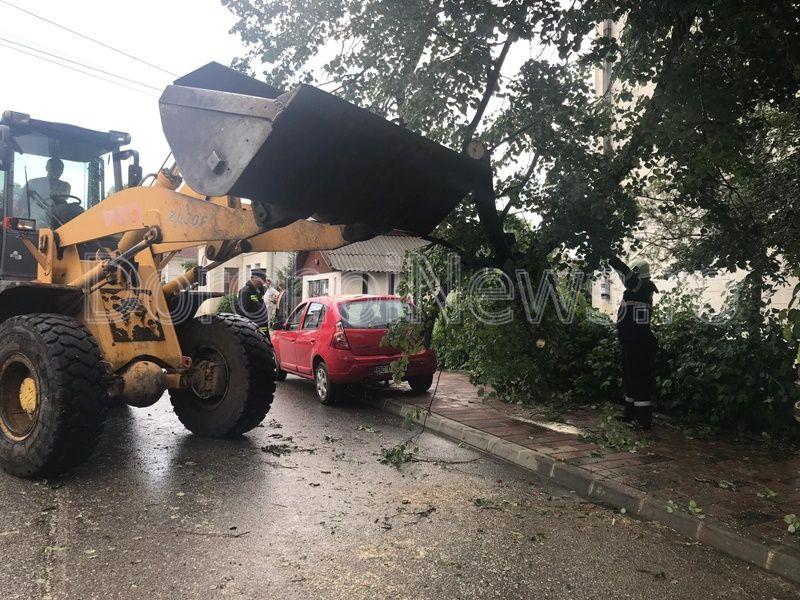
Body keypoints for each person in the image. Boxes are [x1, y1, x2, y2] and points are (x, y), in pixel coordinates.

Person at [609, 255, 659, 430]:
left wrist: (612, 258)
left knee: (639, 381)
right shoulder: (638, 289)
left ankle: (643, 421)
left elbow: (627, 276)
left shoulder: (642, 287)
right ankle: (630, 415)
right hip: (631, 342)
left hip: (639, 343)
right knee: (630, 379)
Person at [15, 158, 71, 227]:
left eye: (60, 168)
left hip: (58, 223)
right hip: (34, 225)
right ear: (47, 168)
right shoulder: (33, 183)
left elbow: (63, 202)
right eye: (54, 168)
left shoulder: (64, 186)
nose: (57, 171)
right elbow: (20, 204)